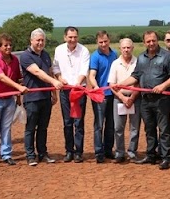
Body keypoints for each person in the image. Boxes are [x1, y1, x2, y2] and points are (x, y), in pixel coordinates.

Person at [117, 30, 170, 170]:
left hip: (162, 99)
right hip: (145, 100)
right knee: (149, 129)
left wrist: (163, 86)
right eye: (148, 41)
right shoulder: (142, 57)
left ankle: (165, 157)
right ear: (144, 42)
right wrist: (121, 84)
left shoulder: (167, 56)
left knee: (164, 130)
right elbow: (136, 76)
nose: (151, 43)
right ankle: (151, 155)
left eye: (153, 40)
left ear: (157, 40)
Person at [19, 28, 63, 166]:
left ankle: (43, 153)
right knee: (31, 127)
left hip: (45, 97)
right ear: (31, 40)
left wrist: (53, 93)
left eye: (42, 40)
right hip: (32, 98)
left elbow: (49, 72)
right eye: (37, 40)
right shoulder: (25, 56)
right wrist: (54, 82)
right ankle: (30, 155)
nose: (40, 43)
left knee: (43, 127)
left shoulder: (45, 55)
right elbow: (37, 72)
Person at [0, 34, 28, 167]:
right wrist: (19, 87)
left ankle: (7, 154)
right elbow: (2, 77)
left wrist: (18, 97)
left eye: (10, 45)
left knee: (6, 127)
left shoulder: (15, 60)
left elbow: (16, 78)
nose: (9, 47)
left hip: (9, 98)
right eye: (5, 45)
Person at [53, 27, 90, 163]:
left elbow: (84, 69)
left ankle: (79, 152)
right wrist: (60, 78)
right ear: (65, 37)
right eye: (70, 37)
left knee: (78, 122)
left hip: (79, 89)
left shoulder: (84, 50)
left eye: (75, 37)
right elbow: (55, 67)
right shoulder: (59, 50)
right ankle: (69, 151)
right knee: (67, 122)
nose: (72, 39)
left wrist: (77, 84)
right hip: (65, 90)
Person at [108, 38, 141, 163]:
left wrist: (131, 98)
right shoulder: (115, 63)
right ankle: (120, 153)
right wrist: (122, 98)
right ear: (120, 48)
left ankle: (132, 152)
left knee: (134, 127)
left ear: (132, 48)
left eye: (128, 47)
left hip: (135, 98)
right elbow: (112, 84)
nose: (126, 50)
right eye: (124, 48)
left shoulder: (138, 62)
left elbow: (139, 83)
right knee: (118, 127)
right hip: (119, 99)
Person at [88, 30, 118, 162]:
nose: (103, 44)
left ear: (109, 40)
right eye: (101, 42)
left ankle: (108, 150)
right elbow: (92, 75)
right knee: (99, 125)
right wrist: (96, 88)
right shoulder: (95, 56)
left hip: (113, 94)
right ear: (97, 42)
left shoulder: (114, 54)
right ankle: (98, 152)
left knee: (111, 124)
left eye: (105, 41)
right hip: (100, 95)